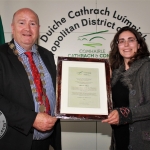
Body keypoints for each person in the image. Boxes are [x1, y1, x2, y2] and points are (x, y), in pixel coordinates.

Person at [0, 8, 61, 150]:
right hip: (13, 142)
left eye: (32, 24)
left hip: (46, 142)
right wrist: (31, 119)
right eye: (22, 23)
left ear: (38, 29)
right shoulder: (1, 56)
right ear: (12, 27)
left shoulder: (47, 55)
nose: (27, 28)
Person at [102, 26, 150, 150]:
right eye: (122, 41)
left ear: (139, 45)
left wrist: (124, 115)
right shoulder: (116, 72)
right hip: (119, 138)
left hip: (141, 141)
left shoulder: (147, 68)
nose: (126, 44)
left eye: (131, 40)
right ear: (117, 46)